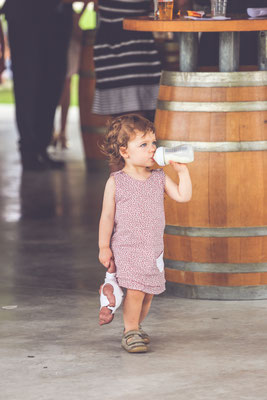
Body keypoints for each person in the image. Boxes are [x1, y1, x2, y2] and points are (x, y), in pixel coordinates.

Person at [98, 114, 192, 353]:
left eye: (153, 143)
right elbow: (107, 217)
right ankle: (130, 331)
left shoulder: (159, 177)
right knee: (136, 291)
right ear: (124, 152)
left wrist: (182, 172)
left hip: (152, 249)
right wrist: (104, 247)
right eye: (143, 144)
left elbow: (183, 196)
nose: (152, 149)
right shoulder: (117, 181)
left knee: (148, 293)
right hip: (128, 248)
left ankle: (135, 327)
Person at [1, 0, 73, 171]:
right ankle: (29, 150)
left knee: (53, 84)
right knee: (28, 83)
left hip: (58, 18)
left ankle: (42, 146)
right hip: (26, 16)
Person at [92, 0, 162, 120]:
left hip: (112, 46)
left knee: (125, 120)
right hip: (137, 48)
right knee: (138, 118)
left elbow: (96, 7)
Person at [99, 258, 124, 325]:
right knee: (112, 271)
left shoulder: (103, 305)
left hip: (114, 286)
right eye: (105, 314)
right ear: (111, 313)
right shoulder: (111, 305)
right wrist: (111, 301)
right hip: (112, 284)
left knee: (112, 271)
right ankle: (112, 261)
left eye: (101, 316)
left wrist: (101, 291)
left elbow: (102, 298)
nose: (102, 315)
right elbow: (109, 294)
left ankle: (113, 261)